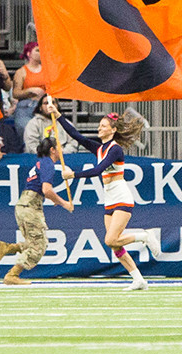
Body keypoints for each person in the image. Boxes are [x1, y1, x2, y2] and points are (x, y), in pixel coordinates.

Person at [55, 97, 161, 291]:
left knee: (110, 239)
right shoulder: (99, 148)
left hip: (121, 196)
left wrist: (73, 175)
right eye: (100, 125)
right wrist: (57, 114)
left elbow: (97, 170)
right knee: (115, 246)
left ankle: (145, 236)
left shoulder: (115, 149)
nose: (100, 128)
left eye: (104, 126)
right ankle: (138, 279)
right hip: (109, 198)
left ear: (113, 130)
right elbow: (76, 136)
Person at [0, 118, 74, 284]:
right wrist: (64, 203)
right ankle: (12, 275)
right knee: (39, 246)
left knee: (34, 241)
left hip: (25, 204)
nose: (62, 151)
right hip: (31, 207)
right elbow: (46, 190)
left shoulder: (40, 163)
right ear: (52, 150)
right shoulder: (48, 164)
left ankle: (8, 248)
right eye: (60, 148)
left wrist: (54, 199)